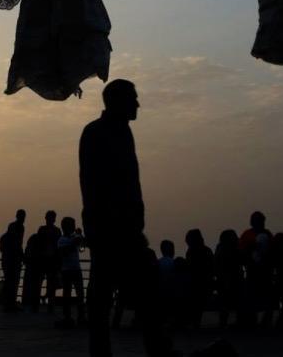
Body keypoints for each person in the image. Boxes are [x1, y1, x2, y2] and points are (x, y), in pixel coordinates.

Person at [79, 79, 169, 357]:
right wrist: (105, 226)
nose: (138, 104)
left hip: (126, 228)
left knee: (140, 296)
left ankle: (156, 350)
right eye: (134, 99)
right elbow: (93, 185)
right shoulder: (96, 133)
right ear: (119, 102)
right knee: (109, 299)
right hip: (111, 230)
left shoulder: (122, 133)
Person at [56, 217, 87, 327]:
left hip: (76, 269)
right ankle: (67, 317)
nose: (74, 227)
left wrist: (79, 236)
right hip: (67, 270)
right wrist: (77, 239)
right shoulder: (61, 240)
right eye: (72, 225)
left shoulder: (74, 238)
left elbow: (83, 245)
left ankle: (81, 317)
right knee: (67, 295)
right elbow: (64, 252)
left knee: (80, 295)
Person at [183, 229, 214, 328]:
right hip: (203, 282)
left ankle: (194, 321)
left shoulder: (191, 251)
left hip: (197, 283)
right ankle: (195, 321)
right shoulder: (207, 250)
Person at [214, 229, 243, 328]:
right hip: (235, 278)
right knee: (236, 301)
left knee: (224, 302)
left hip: (223, 278)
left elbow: (216, 264)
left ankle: (223, 322)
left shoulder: (220, 249)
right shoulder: (237, 249)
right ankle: (238, 321)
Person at [0, 209, 26, 312]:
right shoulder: (19, 227)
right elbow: (18, 244)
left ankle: (8, 303)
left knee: (10, 281)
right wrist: (22, 256)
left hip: (8, 259)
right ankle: (10, 303)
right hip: (13, 259)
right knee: (13, 281)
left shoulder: (11, 229)